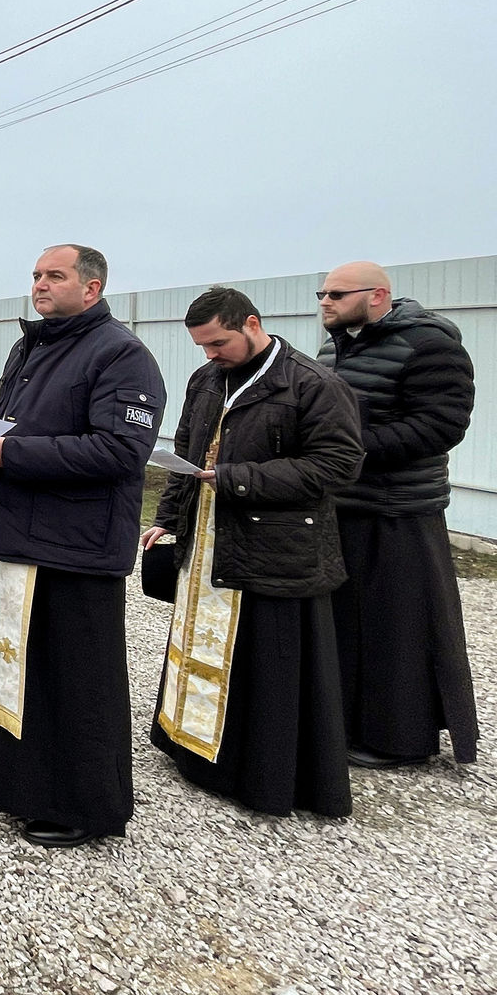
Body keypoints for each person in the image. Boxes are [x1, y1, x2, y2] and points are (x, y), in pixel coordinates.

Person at [0, 244, 165, 848]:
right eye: (36, 276)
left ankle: (81, 805)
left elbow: (122, 451)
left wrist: (13, 456)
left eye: (54, 276)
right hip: (21, 526)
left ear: (92, 289)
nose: (40, 285)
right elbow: (4, 429)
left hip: (77, 543)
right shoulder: (33, 344)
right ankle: (15, 780)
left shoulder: (122, 354)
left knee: (77, 677)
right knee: (23, 662)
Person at [143, 287, 362, 816]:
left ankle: (261, 773)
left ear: (251, 324)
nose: (210, 354)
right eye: (202, 346)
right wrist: (167, 518)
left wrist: (238, 478)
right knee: (202, 649)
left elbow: (339, 464)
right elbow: (188, 455)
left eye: (218, 342)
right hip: (206, 543)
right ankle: (194, 750)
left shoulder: (312, 384)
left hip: (276, 548)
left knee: (267, 663)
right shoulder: (206, 379)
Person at [317, 261, 479, 767]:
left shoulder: (431, 345)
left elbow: (440, 426)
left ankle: (400, 741)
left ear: (378, 296)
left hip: (399, 509)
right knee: (345, 624)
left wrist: (349, 448)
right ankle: (342, 726)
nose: (325, 301)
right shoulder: (333, 345)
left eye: (337, 294)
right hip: (341, 504)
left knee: (398, 630)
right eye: (322, 293)